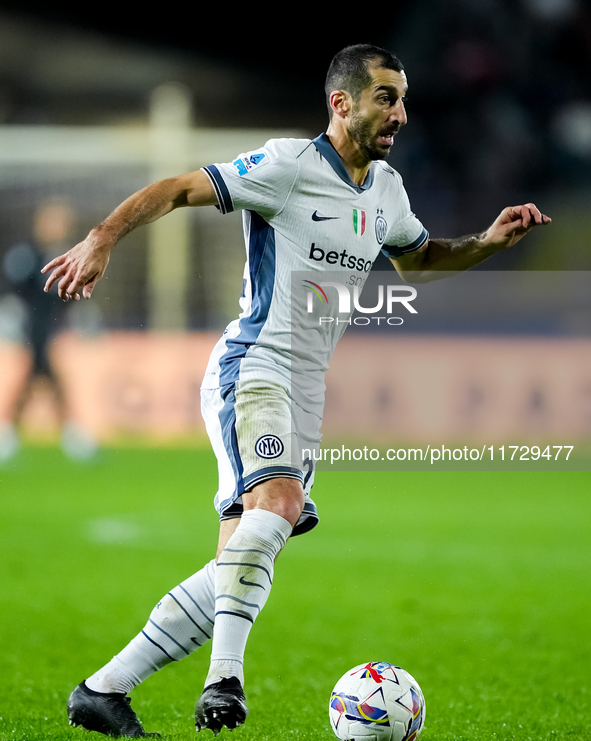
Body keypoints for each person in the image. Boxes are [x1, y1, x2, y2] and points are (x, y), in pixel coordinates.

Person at [41, 44, 551, 737]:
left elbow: (419, 263)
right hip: (253, 367)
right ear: (341, 103)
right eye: (384, 97)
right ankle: (225, 681)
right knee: (279, 502)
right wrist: (100, 239)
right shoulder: (287, 166)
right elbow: (175, 189)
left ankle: (103, 690)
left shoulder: (387, 190)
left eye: (401, 97)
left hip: (304, 389)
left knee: (243, 558)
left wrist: (487, 241)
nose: (399, 112)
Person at [0, 198, 98, 463]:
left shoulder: (65, 255)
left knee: (36, 381)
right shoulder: (25, 254)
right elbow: (13, 290)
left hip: (48, 330)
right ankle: (74, 437)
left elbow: (68, 295)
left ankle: (9, 436)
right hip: (30, 329)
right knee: (45, 380)